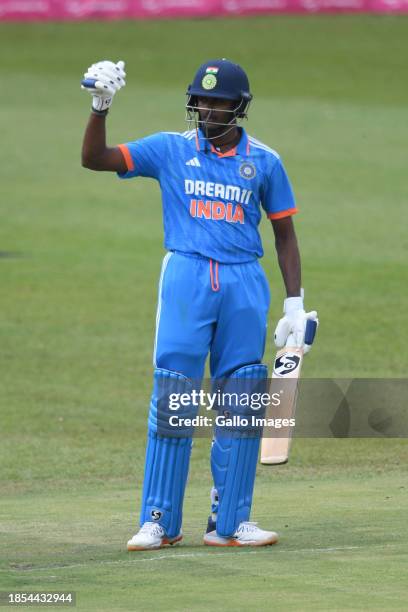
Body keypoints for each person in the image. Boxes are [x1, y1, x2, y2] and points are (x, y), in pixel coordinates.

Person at [81, 58, 317, 550]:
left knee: (243, 398)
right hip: (188, 277)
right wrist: (100, 107)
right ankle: (158, 520)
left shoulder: (266, 162)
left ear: (239, 107)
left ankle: (230, 522)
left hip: (244, 283)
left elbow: (285, 236)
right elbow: (95, 158)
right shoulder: (170, 149)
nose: (207, 109)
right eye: (201, 100)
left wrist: (295, 304)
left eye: (218, 101)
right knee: (175, 394)